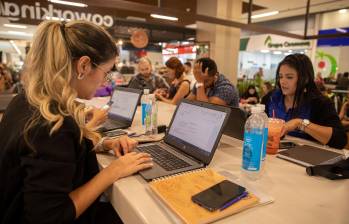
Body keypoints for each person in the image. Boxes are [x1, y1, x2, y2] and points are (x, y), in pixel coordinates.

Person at [0, 20, 153, 224]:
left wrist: (104, 144)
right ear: (83, 65)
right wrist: (113, 171)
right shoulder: (53, 124)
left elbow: (53, 155)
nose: (104, 82)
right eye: (105, 73)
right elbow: (50, 216)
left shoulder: (26, 100)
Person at [264, 54, 347, 149]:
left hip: (307, 159)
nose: (282, 81)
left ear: (305, 79)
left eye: (289, 77)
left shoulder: (320, 104)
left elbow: (340, 140)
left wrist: (300, 123)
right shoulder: (271, 98)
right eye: (280, 76)